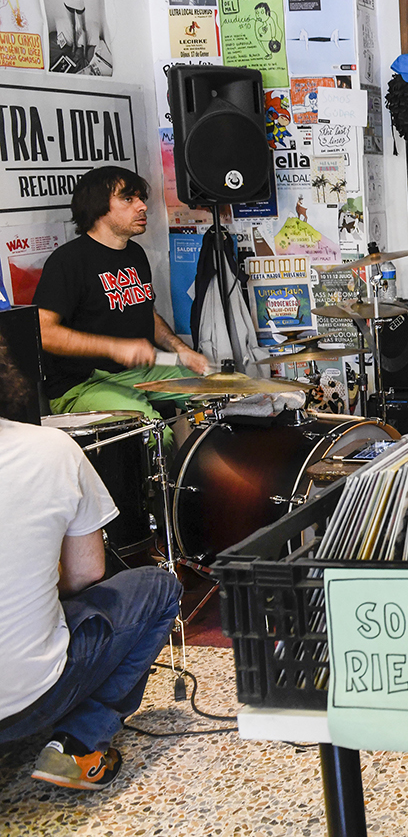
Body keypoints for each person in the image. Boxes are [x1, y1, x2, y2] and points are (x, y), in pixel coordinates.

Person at [0, 333, 182, 790]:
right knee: (158, 589)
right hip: (26, 703)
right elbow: (87, 574)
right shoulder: (51, 449)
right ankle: (78, 747)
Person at [35, 165, 212, 425]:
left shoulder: (135, 255)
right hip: (83, 384)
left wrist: (181, 350)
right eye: (128, 199)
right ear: (97, 206)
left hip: (137, 372)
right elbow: (42, 332)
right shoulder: (69, 260)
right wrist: (114, 347)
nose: (142, 206)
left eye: (141, 199)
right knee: (150, 429)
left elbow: (147, 316)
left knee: (213, 396)